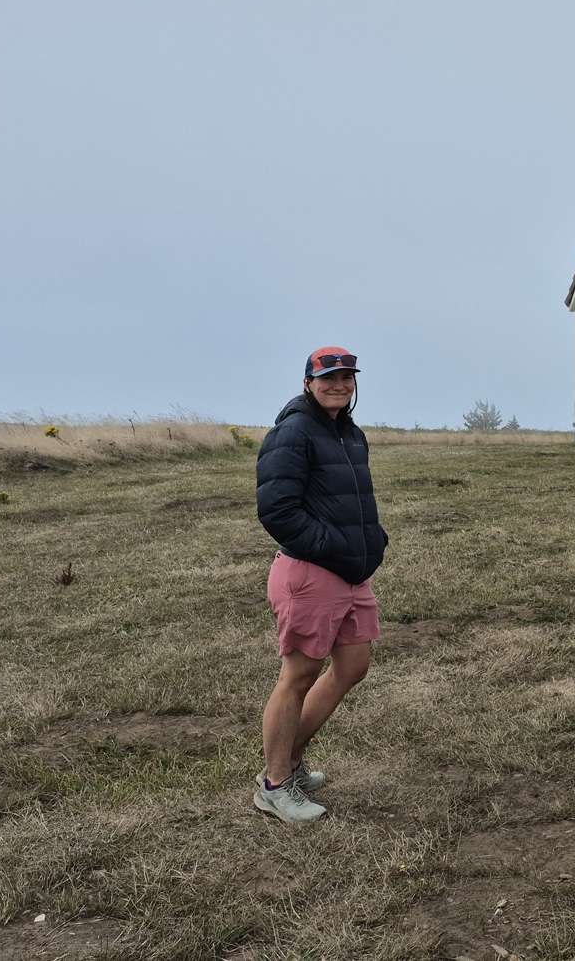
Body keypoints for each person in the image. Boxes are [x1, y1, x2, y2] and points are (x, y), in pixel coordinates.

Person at [252, 345, 389, 822]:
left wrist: (372, 540)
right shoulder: (293, 431)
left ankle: (289, 760)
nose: (339, 385)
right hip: (311, 573)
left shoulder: (349, 433)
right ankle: (274, 786)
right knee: (298, 676)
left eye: (347, 377)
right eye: (328, 378)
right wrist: (332, 545)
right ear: (308, 383)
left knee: (353, 666)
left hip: (351, 573)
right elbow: (277, 510)